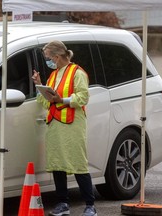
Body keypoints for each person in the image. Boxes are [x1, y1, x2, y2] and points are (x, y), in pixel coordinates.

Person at [32, 40, 97, 216]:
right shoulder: (54, 75)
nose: (48, 61)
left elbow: (83, 97)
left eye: (48, 58)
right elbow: (47, 102)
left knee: (78, 163)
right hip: (55, 123)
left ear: (58, 56)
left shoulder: (77, 73)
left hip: (72, 123)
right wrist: (39, 86)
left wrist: (63, 100)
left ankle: (90, 205)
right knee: (58, 164)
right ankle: (62, 204)